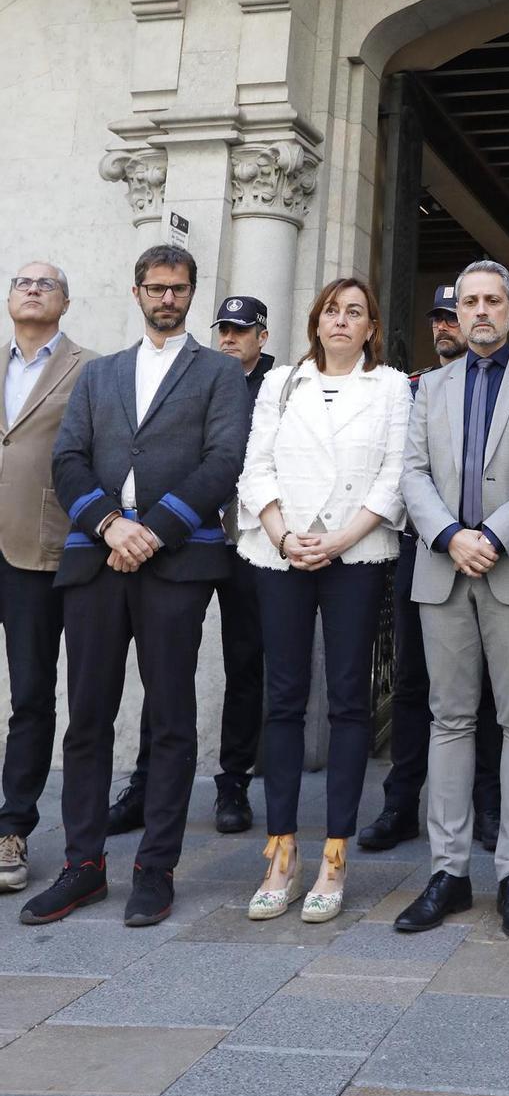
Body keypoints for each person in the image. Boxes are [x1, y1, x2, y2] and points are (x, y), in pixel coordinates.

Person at [23, 246, 249, 927]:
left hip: (176, 563)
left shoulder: (219, 373)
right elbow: (66, 459)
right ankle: (83, 868)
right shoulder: (100, 375)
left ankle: (156, 869)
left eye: (178, 289)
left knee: (172, 719)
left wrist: (154, 529)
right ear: (137, 291)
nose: (167, 298)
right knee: (87, 718)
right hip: (96, 560)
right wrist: (111, 526)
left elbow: (224, 460)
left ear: (191, 294)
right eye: (156, 288)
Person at [395, 260, 509, 941]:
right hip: (444, 570)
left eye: (494, 300)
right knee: (449, 718)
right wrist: (448, 536)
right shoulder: (428, 387)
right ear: (456, 314)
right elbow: (410, 472)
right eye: (470, 302)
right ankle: (449, 872)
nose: (482, 311)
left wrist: (493, 533)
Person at [237, 276, 407, 922]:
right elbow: (257, 464)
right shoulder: (283, 383)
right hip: (280, 551)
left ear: (370, 329)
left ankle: (335, 850)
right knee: (282, 696)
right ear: (317, 322)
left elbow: (393, 472)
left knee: (347, 699)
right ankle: (282, 849)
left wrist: (337, 539)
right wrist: (284, 535)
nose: (341, 321)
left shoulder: (390, 386)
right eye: (332, 310)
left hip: (354, 554)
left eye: (355, 312)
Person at [108, 293, 275, 842]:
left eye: (241, 331)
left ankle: (233, 783)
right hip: (187, 537)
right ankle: (146, 781)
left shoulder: (279, 387)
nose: (230, 339)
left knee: (245, 662)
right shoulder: (193, 375)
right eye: (223, 330)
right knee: (165, 661)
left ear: (261, 339)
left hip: (250, 542)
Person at [358, 284, 502, 854]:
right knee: (414, 683)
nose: (446, 326)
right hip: (427, 550)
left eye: (454, 316)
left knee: (489, 684)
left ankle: (486, 804)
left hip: (493, 548)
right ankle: (401, 804)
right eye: (439, 317)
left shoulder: (507, 380)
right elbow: (401, 470)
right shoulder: (409, 389)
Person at [0, 264, 94, 895]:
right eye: (21, 282)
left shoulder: (89, 369)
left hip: (39, 549)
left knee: (32, 694)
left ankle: (12, 828)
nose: (31, 289)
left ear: (64, 301)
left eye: (45, 283)